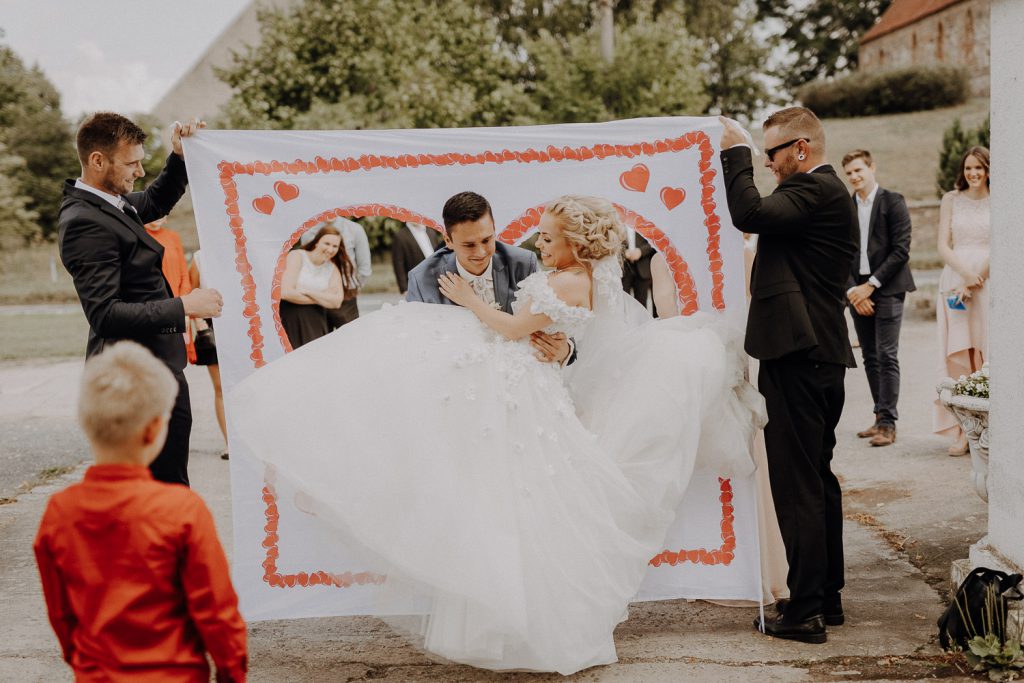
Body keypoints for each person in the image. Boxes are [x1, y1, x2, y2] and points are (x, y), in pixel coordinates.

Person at [227, 195, 762, 675]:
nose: (486, 249)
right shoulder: (425, 275)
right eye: (469, 243)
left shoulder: (533, 265)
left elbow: (561, 331)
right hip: (470, 392)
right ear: (448, 240)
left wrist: (558, 347)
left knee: (521, 501)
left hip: (519, 391)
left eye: (489, 238)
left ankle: (524, 619)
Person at [719, 108, 858, 644]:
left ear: (800, 148)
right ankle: (826, 597)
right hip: (818, 354)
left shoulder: (816, 189)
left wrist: (734, 151)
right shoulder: (822, 195)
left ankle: (803, 613)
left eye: (771, 154)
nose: (768, 165)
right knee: (817, 479)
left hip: (798, 357)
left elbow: (748, 212)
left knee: (798, 484)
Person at [33, 342, 247, 682]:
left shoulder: (60, 512)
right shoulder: (182, 510)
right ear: (153, 430)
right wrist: (230, 672)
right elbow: (217, 612)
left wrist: (83, 663)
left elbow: (62, 614)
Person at [58, 112, 222, 486]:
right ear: (98, 161)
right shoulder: (84, 222)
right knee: (161, 489)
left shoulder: (112, 202)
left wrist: (179, 156)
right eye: (131, 163)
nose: (139, 171)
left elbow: (154, 200)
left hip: (159, 364)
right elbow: (105, 314)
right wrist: (184, 307)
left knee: (170, 482)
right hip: (135, 378)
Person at [651, 237, 789, 606]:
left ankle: (746, 569)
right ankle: (712, 567)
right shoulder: (665, 261)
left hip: (727, 365)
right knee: (705, 466)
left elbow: (747, 310)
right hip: (700, 366)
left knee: (739, 463)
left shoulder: (733, 254)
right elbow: (669, 314)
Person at [406, 191, 573, 365]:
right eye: (469, 245)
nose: (481, 252)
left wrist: (565, 349)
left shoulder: (523, 264)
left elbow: (555, 324)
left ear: (494, 229)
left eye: (486, 240)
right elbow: (416, 347)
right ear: (448, 240)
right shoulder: (422, 279)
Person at [842, 150, 916, 448]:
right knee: (870, 356)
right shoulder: (845, 209)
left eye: (858, 170)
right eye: (848, 173)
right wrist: (852, 291)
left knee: (887, 354)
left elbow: (901, 250)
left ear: (872, 168)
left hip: (887, 287)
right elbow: (839, 254)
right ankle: (878, 416)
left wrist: (869, 286)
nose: (854, 177)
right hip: (855, 291)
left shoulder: (892, 201)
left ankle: (888, 422)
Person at [934, 146, 990, 455]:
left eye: (979, 168)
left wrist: (977, 276)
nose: (973, 173)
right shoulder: (950, 200)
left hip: (988, 281)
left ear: (988, 170)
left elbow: (1003, 240)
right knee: (958, 353)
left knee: (986, 350)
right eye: (968, 168)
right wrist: (964, 274)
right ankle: (960, 430)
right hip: (955, 278)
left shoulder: (1000, 197)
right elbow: (943, 245)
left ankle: (991, 424)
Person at [279, 224, 351, 348]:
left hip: (316, 319)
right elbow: (285, 292)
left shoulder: (332, 269)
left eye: (335, 246)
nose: (330, 249)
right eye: (327, 243)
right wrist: (323, 297)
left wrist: (305, 290)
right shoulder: (297, 256)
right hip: (291, 316)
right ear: (317, 241)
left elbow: (336, 302)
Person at [188, 250, 228, 459]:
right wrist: (199, 323)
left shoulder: (240, 250)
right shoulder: (199, 257)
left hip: (239, 320)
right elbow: (191, 292)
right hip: (211, 323)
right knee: (221, 387)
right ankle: (229, 442)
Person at [302, 217, 371, 329]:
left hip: (347, 295)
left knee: (351, 337)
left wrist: (354, 289)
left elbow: (365, 268)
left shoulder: (355, 229)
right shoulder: (308, 232)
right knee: (320, 340)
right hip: (317, 295)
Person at [145, 216, 196, 363]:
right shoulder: (138, 235)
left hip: (177, 305)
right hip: (154, 306)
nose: (157, 217)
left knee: (177, 359)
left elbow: (184, 275)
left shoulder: (173, 237)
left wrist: (184, 307)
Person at [391, 221, 443, 296]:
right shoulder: (400, 236)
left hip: (436, 279)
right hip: (416, 284)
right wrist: (404, 289)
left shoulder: (431, 232)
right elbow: (398, 264)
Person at [621, 225, 655, 311]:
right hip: (624, 270)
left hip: (642, 268)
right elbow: (611, 242)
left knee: (642, 306)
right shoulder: (617, 222)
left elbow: (653, 242)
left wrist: (640, 251)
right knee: (624, 305)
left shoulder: (643, 222)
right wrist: (623, 252)